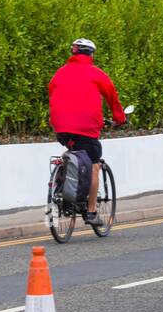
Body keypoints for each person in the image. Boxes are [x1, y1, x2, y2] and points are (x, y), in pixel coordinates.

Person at [48, 38, 127, 228]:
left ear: (74, 53)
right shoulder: (96, 74)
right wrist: (120, 118)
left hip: (61, 127)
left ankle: (62, 189)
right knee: (93, 166)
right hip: (86, 128)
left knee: (73, 155)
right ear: (91, 54)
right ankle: (91, 211)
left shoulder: (59, 73)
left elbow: (52, 92)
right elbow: (112, 96)